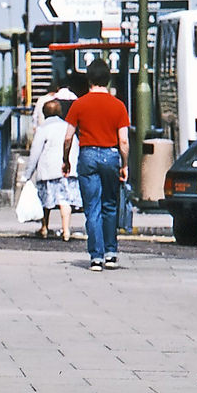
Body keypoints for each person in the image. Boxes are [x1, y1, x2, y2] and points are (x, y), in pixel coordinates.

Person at [63, 58, 130, 272]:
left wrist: (65, 160)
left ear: (89, 79)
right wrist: (124, 164)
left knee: (92, 208)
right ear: (108, 80)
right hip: (111, 155)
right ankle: (111, 253)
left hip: (88, 154)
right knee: (110, 205)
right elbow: (124, 141)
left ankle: (96, 257)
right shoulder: (118, 105)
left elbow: (67, 137)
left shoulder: (79, 104)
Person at [24, 99, 82, 241]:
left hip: (48, 170)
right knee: (65, 200)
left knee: (46, 200)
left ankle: (44, 227)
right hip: (67, 169)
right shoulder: (67, 126)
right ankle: (66, 230)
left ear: (44, 113)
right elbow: (76, 147)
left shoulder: (43, 129)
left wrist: (27, 174)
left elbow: (35, 153)